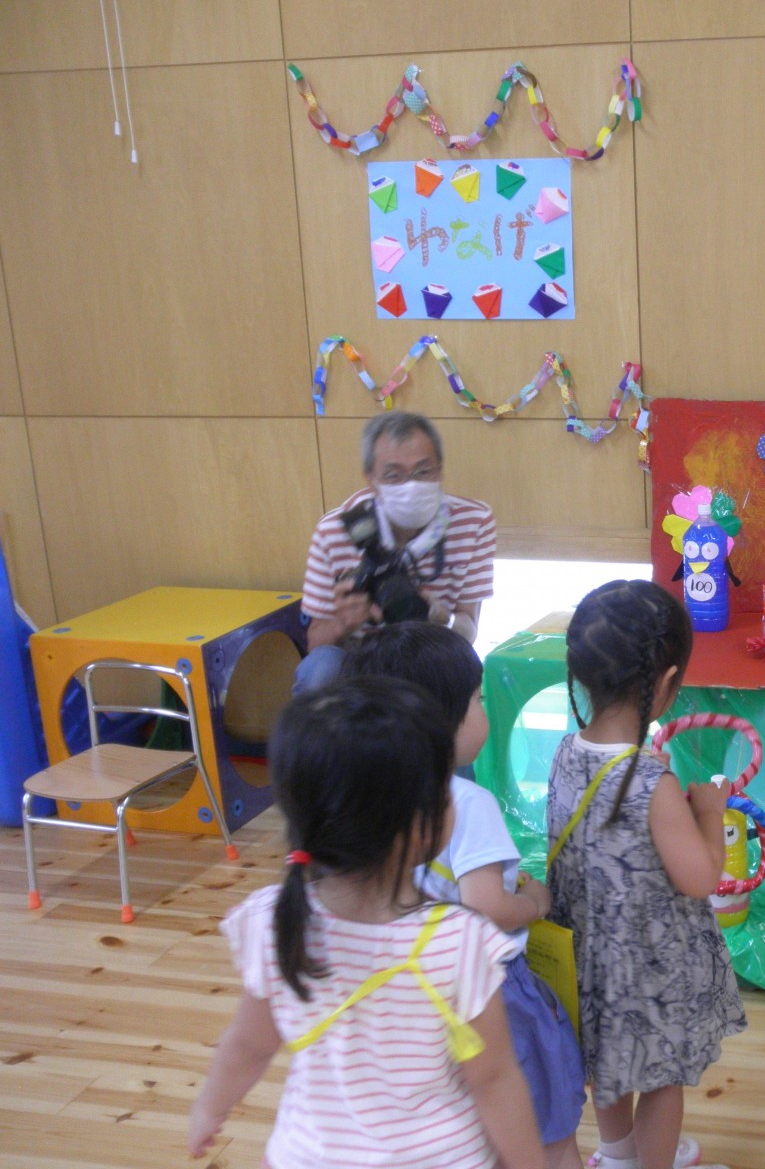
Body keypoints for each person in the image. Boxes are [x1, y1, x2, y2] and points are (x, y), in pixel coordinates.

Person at [187, 678, 544, 1169]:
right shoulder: (459, 940)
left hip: (307, 1157)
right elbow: (493, 1078)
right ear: (417, 826)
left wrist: (210, 1108)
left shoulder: (274, 920)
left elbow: (250, 1044)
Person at [343, 622, 587, 1169]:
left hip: (409, 1000)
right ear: (437, 724)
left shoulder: (363, 799)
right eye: (477, 698)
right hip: (490, 993)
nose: (484, 709)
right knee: (546, 1129)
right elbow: (487, 908)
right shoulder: (466, 803)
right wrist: (534, 903)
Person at [547, 581, 746, 1169]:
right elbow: (700, 877)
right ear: (666, 682)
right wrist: (708, 812)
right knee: (661, 1076)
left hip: (588, 957)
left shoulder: (565, 752)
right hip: (650, 964)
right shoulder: (652, 783)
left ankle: (616, 1155)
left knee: (606, 1064)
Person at [295, 410, 496, 694]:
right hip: (359, 658)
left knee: (464, 667)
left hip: (429, 655)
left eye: (423, 471)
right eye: (393, 475)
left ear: (440, 469)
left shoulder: (474, 521)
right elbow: (315, 645)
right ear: (371, 479)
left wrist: (442, 618)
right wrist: (343, 622)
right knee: (321, 667)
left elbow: (469, 632)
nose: (410, 485)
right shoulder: (335, 531)